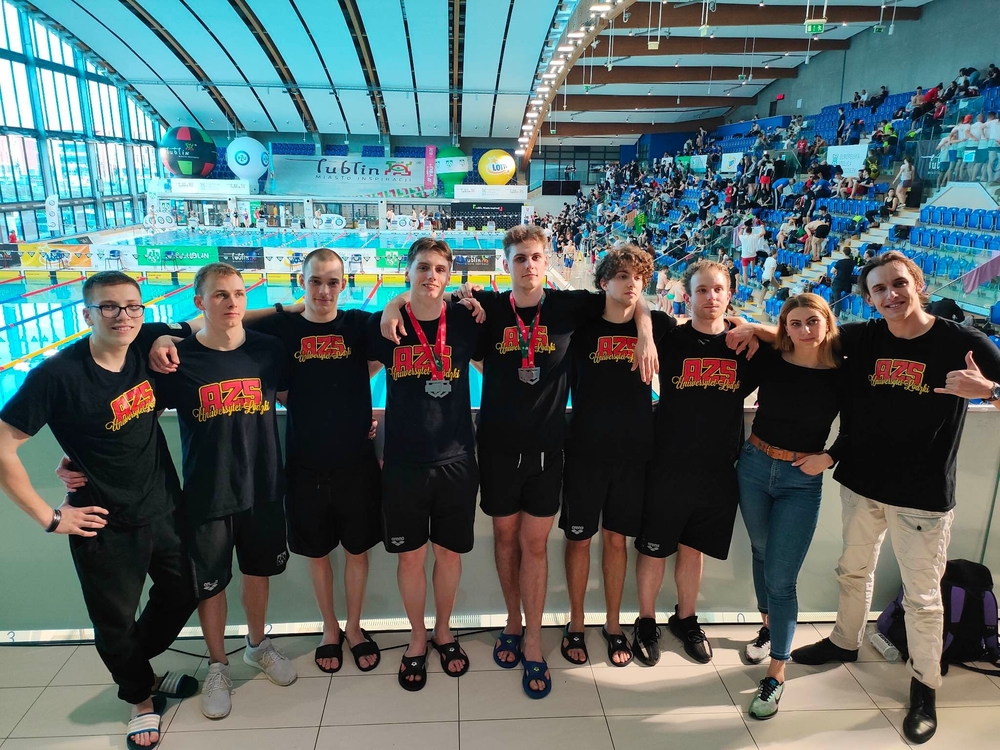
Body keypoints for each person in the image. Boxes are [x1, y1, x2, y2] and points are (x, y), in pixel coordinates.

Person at [381, 225, 656, 697]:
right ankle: (512, 621)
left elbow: (632, 296)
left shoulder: (570, 307)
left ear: (546, 262)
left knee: (534, 545)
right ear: (505, 264)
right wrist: (391, 302)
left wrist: (646, 333)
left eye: (535, 257)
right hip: (497, 449)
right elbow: (426, 306)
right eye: (519, 259)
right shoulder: (484, 312)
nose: (528, 266)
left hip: (550, 451)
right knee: (506, 539)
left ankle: (532, 639)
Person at [748, 251, 1000, 744]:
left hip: (922, 494)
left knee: (924, 597)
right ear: (868, 298)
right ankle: (845, 641)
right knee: (852, 569)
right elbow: (804, 334)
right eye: (880, 289)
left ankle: (926, 685)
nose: (891, 295)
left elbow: (995, 385)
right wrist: (747, 328)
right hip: (862, 483)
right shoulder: (862, 338)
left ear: (918, 283)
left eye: (899, 284)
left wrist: (988, 389)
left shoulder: (960, 341)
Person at [0, 272, 200, 749]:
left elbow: (203, 322)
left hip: (162, 505)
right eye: (108, 307)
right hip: (101, 522)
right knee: (115, 620)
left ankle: (139, 667)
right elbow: (3, 445)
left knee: (185, 590)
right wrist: (51, 518)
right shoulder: (56, 376)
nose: (123, 316)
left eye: (132, 306)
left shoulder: (145, 341)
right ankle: (139, 698)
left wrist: (286, 311)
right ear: (86, 314)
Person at [155, 263, 295, 720]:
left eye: (237, 293)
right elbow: (138, 419)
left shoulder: (268, 351)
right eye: (219, 295)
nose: (232, 302)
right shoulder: (179, 360)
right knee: (210, 585)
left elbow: (301, 399)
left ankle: (257, 646)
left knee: (258, 573)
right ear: (198, 302)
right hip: (207, 493)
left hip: (264, 486)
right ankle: (218, 664)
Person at [244, 249, 385, 675]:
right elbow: (231, 318)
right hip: (305, 465)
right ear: (300, 283)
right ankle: (329, 628)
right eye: (314, 282)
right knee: (318, 554)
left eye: (332, 282)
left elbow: (398, 325)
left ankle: (355, 628)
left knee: (357, 551)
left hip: (357, 463)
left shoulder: (359, 325)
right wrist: (284, 307)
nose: (324, 291)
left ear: (345, 284)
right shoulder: (283, 327)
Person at [367, 238, 484, 691]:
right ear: (408, 271)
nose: (430, 275)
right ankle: (418, 637)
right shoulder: (386, 326)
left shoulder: (465, 321)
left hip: (456, 459)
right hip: (404, 464)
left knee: (448, 554)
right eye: (422, 267)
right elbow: (356, 375)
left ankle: (443, 630)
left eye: (438, 268)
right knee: (411, 557)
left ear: (448, 274)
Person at [632, 260, 758, 667]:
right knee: (655, 548)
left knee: (693, 549)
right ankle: (646, 620)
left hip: (719, 469)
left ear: (729, 294)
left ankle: (685, 618)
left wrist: (754, 328)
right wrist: (647, 335)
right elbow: (639, 306)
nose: (711, 297)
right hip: (667, 463)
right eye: (702, 290)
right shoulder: (672, 337)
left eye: (718, 289)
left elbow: (807, 343)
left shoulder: (744, 346)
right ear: (688, 296)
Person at [561, 246, 674, 668]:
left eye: (638, 277)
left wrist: (644, 330)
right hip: (585, 452)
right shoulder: (582, 324)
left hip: (633, 454)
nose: (631, 284)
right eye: (621, 276)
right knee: (578, 539)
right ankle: (575, 622)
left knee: (616, 540)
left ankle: (611, 624)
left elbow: (701, 330)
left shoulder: (658, 325)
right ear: (604, 281)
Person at [734, 294, 844, 719]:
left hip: (802, 479)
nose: (804, 331)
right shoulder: (771, 359)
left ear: (827, 322)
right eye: (794, 323)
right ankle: (766, 628)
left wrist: (830, 457)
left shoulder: (841, 372)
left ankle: (777, 672)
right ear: (784, 328)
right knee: (761, 552)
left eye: (812, 321)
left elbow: (859, 426)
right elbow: (731, 381)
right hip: (755, 466)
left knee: (782, 579)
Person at [831, 245, 857, 318]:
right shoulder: (852, 262)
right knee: (832, 297)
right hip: (846, 282)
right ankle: (829, 311)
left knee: (837, 300)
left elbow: (832, 271)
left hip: (838, 282)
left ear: (843, 252)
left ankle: (836, 316)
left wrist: (836, 272)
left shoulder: (840, 262)